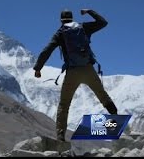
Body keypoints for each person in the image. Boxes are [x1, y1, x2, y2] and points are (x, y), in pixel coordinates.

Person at [33, 9, 118, 141]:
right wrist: (90, 11)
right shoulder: (83, 27)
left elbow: (47, 50)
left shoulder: (60, 33)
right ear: (72, 18)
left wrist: (38, 68)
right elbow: (103, 22)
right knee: (103, 96)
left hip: (72, 72)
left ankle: (61, 137)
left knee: (64, 105)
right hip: (88, 69)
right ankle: (116, 121)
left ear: (61, 20)